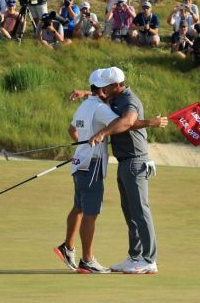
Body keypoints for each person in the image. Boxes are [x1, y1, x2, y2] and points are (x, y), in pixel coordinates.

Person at [79, 66, 168, 275]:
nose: (103, 90)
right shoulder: (114, 98)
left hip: (136, 161)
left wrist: (103, 133)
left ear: (116, 85)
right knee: (129, 212)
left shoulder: (129, 99)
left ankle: (149, 259)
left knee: (140, 210)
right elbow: (101, 98)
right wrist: (83, 93)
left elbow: (128, 121)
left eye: (105, 87)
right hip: (124, 162)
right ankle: (135, 256)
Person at [56, 69, 121, 274]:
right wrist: (149, 123)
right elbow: (122, 122)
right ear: (103, 89)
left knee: (79, 208)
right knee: (90, 213)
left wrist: (82, 146)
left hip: (79, 162)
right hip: (92, 165)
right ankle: (87, 260)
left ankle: (67, 247)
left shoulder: (85, 105)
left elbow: (72, 129)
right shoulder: (101, 109)